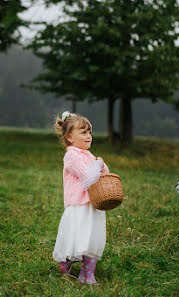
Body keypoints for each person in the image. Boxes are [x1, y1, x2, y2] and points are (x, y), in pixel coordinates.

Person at [52, 111, 109, 286]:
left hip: (93, 204)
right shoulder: (71, 155)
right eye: (83, 132)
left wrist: (101, 164)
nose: (89, 136)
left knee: (92, 238)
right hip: (78, 205)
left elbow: (104, 175)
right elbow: (87, 176)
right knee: (77, 237)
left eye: (90, 132)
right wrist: (97, 165)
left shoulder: (89, 155)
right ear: (70, 137)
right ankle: (65, 265)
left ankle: (87, 274)